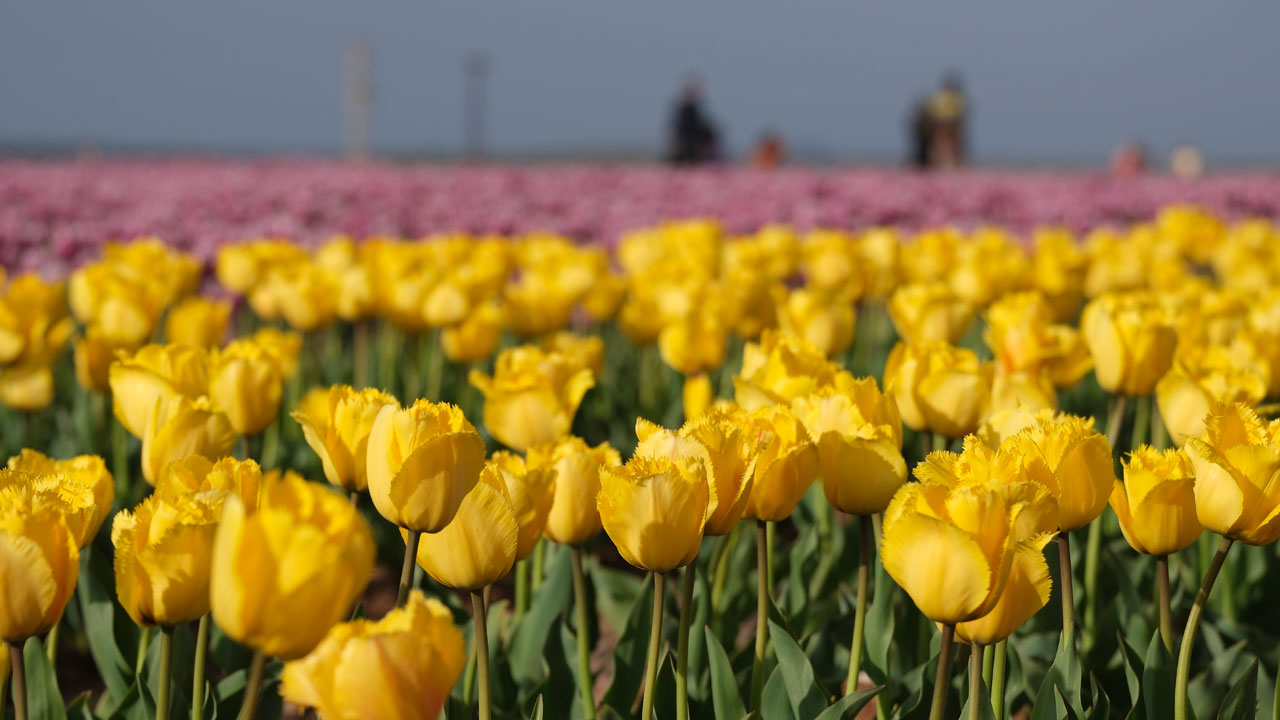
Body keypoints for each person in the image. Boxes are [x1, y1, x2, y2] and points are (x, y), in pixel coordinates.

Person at [668, 78, 720, 165]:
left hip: (689, 145)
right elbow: (688, 128)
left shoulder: (689, 108)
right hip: (689, 146)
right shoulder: (687, 109)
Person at [926, 73, 967, 168]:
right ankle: (948, 164)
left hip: (943, 124)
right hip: (949, 124)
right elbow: (962, 112)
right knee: (949, 145)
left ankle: (940, 164)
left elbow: (931, 111)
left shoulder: (939, 96)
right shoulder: (955, 97)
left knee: (941, 145)